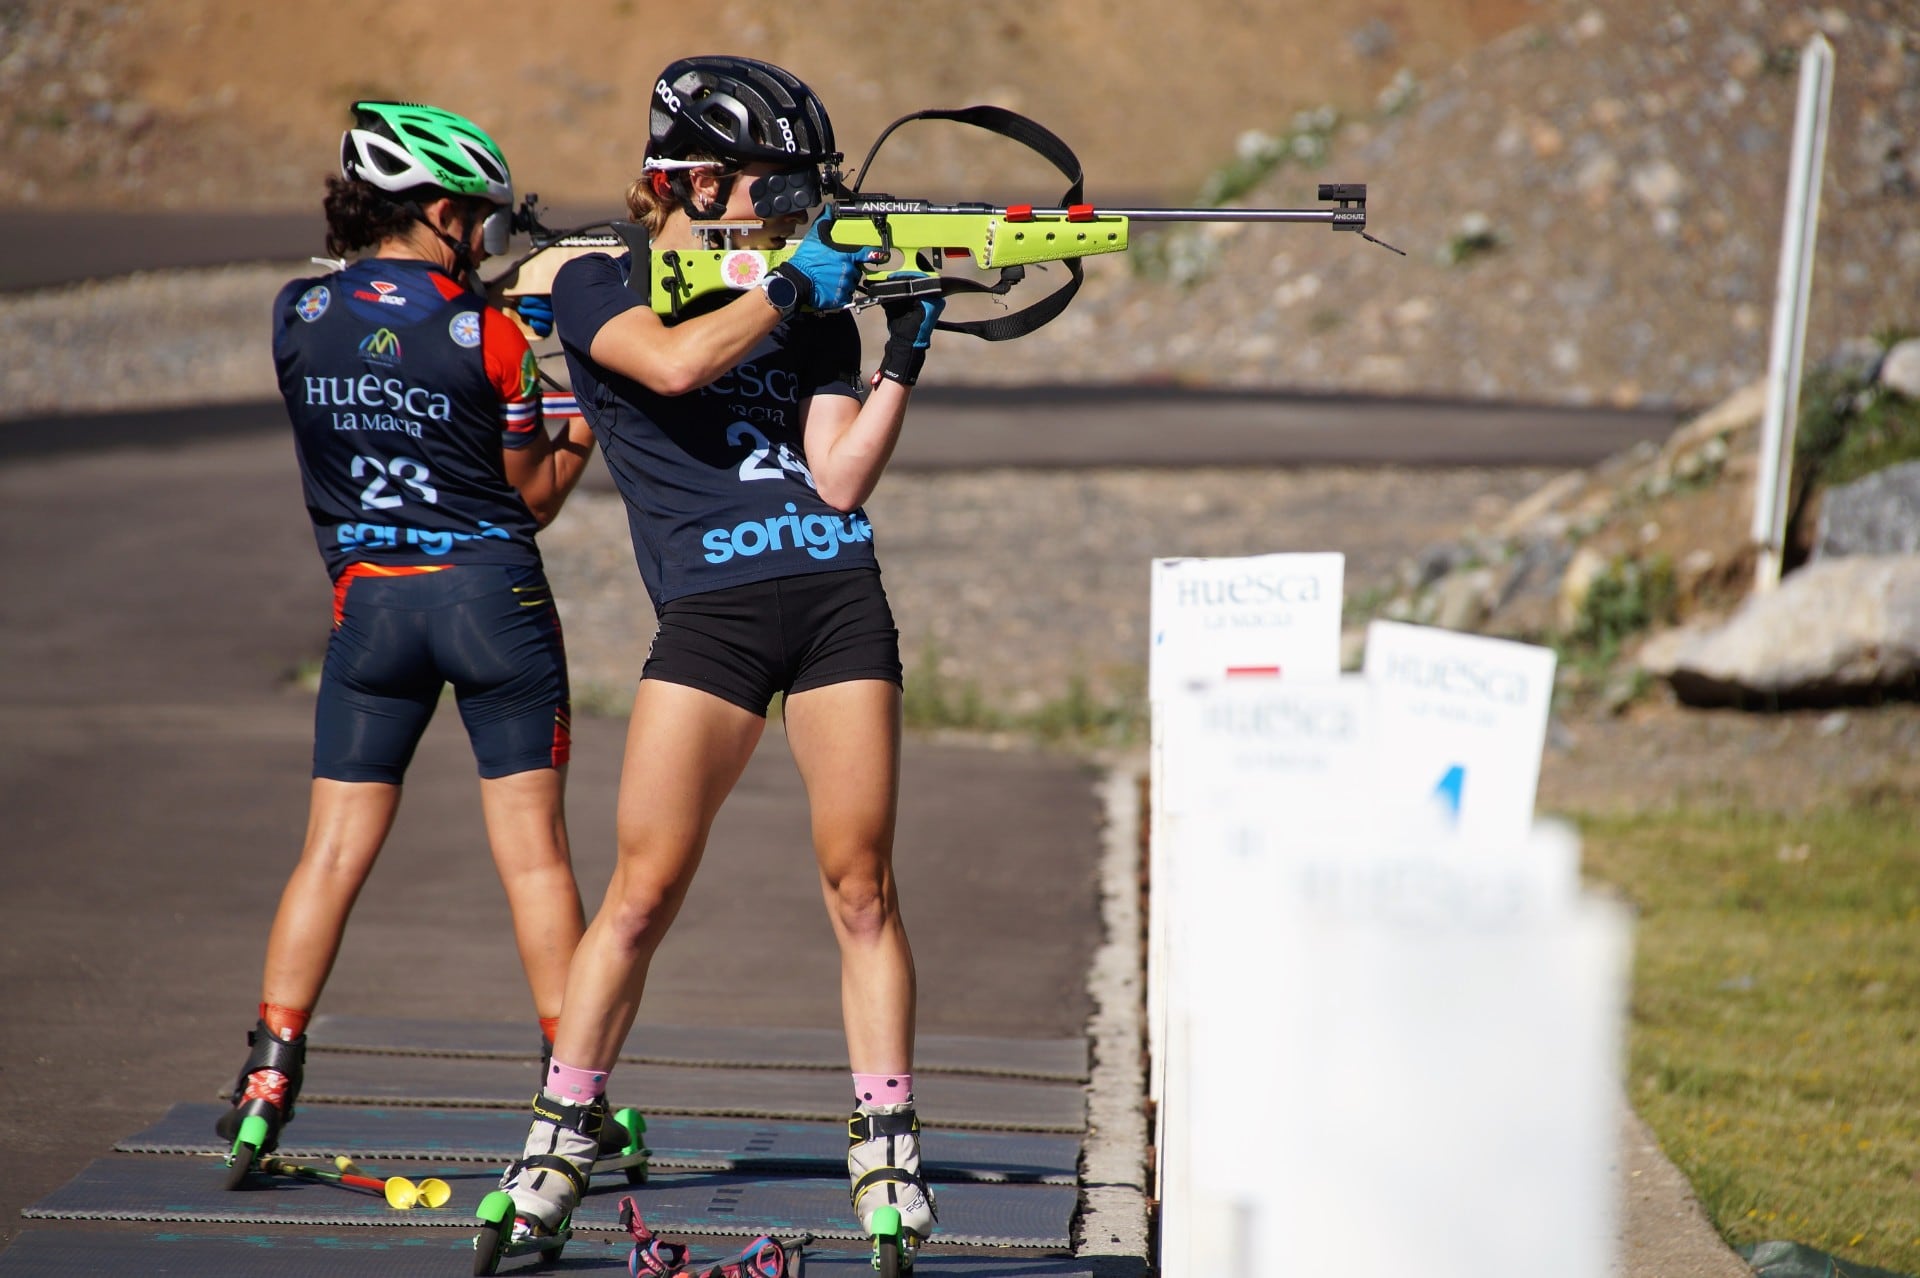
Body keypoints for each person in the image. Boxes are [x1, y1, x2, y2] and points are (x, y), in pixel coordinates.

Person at [491, 55, 944, 1256]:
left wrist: (900, 354)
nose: (786, 212)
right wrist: (798, 290)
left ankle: (886, 1141)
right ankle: (558, 1136)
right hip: (712, 618)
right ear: (693, 181)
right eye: (766, 188)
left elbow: (841, 478)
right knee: (640, 897)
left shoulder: (803, 300)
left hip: (839, 597)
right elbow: (673, 364)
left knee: (863, 888)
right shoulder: (595, 280)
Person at [216, 101, 601, 1168]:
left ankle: (266, 1078)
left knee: (329, 853)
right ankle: (574, 1105)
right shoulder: (496, 337)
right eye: (476, 219)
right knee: (534, 861)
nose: (486, 237)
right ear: (438, 211)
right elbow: (530, 498)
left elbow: (376, 358)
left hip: (368, 610)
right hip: (492, 606)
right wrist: (584, 422)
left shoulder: (294, 312)